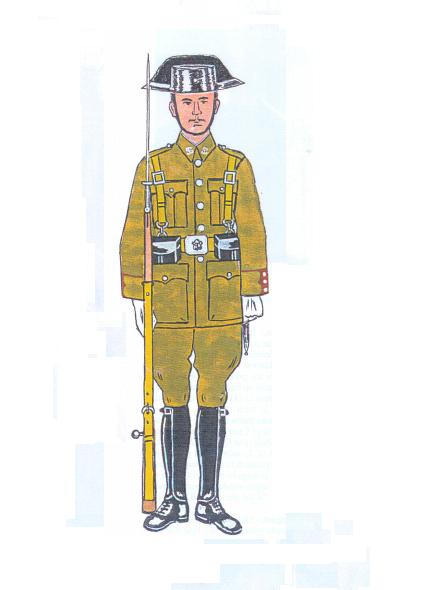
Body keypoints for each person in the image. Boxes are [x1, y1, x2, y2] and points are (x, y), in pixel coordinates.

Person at [120, 55, 268, 535]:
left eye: (204, 100)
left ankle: (209, 499)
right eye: (187, 102)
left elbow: (251, 228)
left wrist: (252, 290)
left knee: (214, 395)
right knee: (172, 396)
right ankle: (174, 499)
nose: (196, 111)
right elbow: (134, 233)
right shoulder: (153, 168)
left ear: (217, 103)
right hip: (168, 302)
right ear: (173, 108)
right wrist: (137, 295)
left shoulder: (235, 167)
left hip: (222, 302)